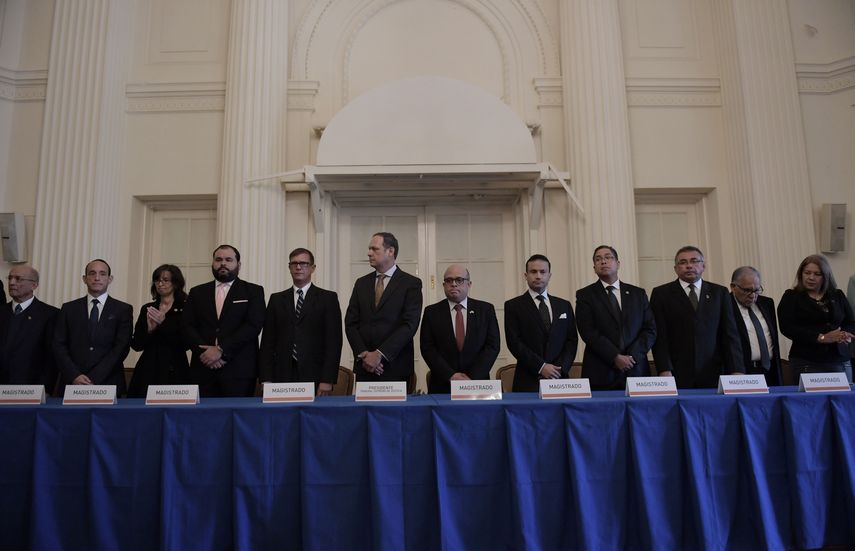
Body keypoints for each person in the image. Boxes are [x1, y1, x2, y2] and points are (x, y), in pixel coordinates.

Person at [650, 246, 742, 388]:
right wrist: (664, 369)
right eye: (683, 262)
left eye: (694, 261)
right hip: (676, 372)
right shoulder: (661, 294)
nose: (689, 266)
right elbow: (660, 336)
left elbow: (730, 334)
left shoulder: (719, 293)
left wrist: (736, 369)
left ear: (703, 266)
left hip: (715, 370)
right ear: (675, 268)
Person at [182, 245, 265, 397]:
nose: (223, 263)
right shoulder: (197, 292)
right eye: (218, 259)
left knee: (237, 412)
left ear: (238, 264)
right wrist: (206, 354)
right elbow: (187, 326)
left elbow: (253, 326)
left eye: (228, 260)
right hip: (203, 369)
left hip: (239, 371)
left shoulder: (253, 291)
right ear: (212, 263)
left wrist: (221, 350)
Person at [258, 248, 342, 395]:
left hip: (315, 374)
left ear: (312, 268)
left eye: (303, 263)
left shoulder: (328, 299)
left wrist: (327, 379)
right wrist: (265, 378)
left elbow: (334, 342)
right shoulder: (276, 299)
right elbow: (267, 342)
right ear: (289, 267)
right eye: (294, 263)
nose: (298, 267)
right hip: (281, 374)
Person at [345, 232, 422, 383]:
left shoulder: (411, 283)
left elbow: (409, 324)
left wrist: (379, 354)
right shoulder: (361, 283)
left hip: (395, 367)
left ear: (390, 251)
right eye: (369, 249)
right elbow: (351, 323)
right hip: (365, 367)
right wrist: (364, 355)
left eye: (374, 249)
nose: (369, 253)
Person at [575, 246, 656, 390]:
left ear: (618, 264)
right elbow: (588, 331)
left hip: (636, 370)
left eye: (608, 257)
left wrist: (632, 357)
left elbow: (650, 329)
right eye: (598, 259)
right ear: (594, 268)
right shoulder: (585, 295)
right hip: (601, 372)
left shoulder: (638, 294)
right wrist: (615, 356)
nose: (603, 261)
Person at [53, 259, 133, 393]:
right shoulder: (68, 309)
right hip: (72, 383)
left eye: (102, 274)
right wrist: (74, 375)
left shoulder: (123, 309)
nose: (97, 278)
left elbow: (121, 348)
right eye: (92, 273)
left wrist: (94, 378)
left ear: (110, 279)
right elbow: (58, 345)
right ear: (84, 279)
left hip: (108, 383)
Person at [420, 264, 500, 393]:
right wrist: (450, 375)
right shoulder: (431, 312)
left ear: (469, 284)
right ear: (444, 285)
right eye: (449, 280)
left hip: (477, 385)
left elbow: (493, 346)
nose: (453, 284)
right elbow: (427, 348)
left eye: (459, 280)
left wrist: (472, 377)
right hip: (443, 385)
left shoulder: (486, 310)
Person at [504, 254, 577, 392]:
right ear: (526, 276)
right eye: (533, 272)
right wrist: (541, 367)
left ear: (549, 275)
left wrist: (559, 369)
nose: (538, 276)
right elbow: (514, 342)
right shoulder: (513, 306)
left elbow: (571, 340)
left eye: (543, 272)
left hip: (559, 379)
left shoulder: (564, 305)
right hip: (528, 380)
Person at [777, 254, 854, 377]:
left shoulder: (837, 295)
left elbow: (850, 322)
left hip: (839, 359)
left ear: (825, 276)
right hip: (807, 360)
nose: (811, 277)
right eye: (807, 273)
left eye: (817, 274)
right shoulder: (791, 296)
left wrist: (844, 334)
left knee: (845, 390)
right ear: (801, 274)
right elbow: (787, 327)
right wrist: (821, 337)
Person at [127, 264, 190, 397]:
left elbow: (186, 343)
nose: (160, 284)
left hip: (175, 367)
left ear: (176, 283)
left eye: (165, 280)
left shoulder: (186, 308)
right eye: (157, 280)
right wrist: (150, 330)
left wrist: (163, 323)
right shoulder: (148, 308)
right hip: (148, 368)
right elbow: (136, 345)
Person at [0, 265, 59, 392]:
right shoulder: (2, 312)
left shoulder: (50, 314)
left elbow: (51, 358)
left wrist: (45, 389)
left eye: (18, 279)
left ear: (34, 285)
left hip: (31, 390)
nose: (12, 282)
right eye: (10, 278)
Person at [729, 266, 782, 385]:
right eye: (747, 290)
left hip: (770, 371)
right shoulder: (724, 306)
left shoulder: (767, 303)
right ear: (733, 287)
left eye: (756, 290)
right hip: (741, 373)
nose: (752, 295)